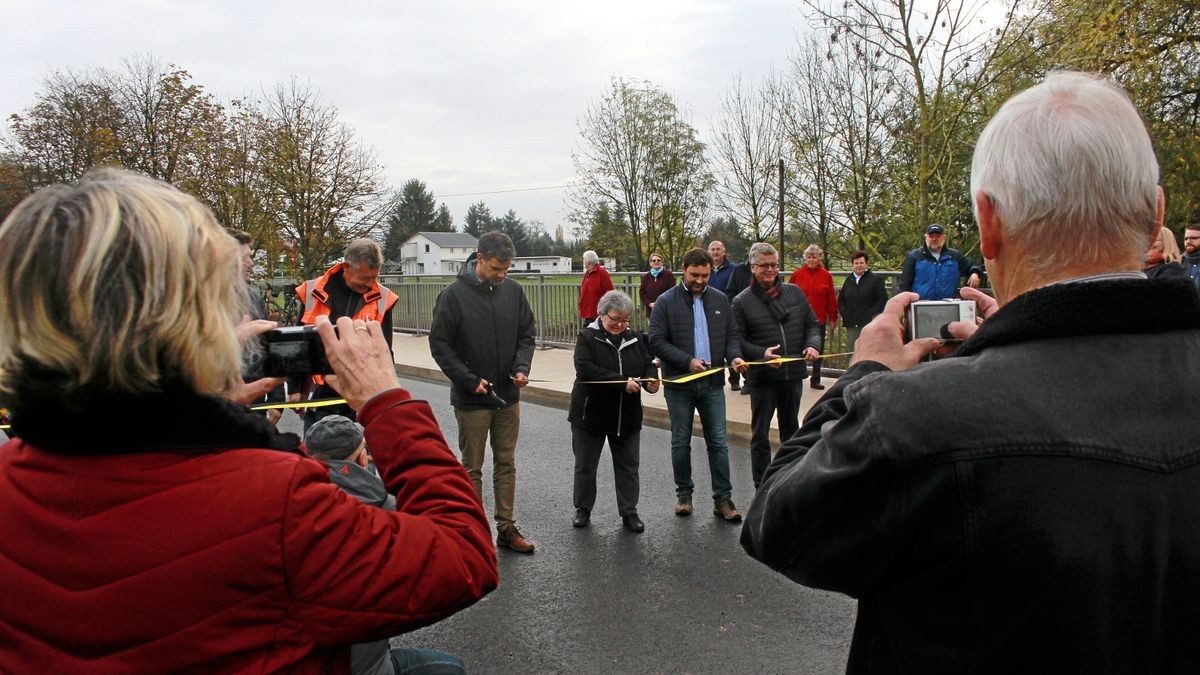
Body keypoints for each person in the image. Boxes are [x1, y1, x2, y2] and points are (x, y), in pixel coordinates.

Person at [742, 71, 1200, 673]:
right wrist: (1017, 340)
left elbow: (777, 520)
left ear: (987, 222)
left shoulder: (917, 418)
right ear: (1157, 211)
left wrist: (864, 375)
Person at [0, 168, 497, 672]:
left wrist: (202, 405)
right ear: (187, 318)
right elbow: (462, 558)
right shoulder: (275, 501)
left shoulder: (12, 473)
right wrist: (387, 401)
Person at [305, 415, 466, 675]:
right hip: (363, 665)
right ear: (361, 458)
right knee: (451, 668)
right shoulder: (387, 508)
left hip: (303, 659)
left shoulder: (290, 503)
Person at [430, 231, 537, 553]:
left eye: (506, 270)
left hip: (508, 395)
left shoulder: (514, 291)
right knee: (472, 467)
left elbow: (526, 335)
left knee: (506, 462)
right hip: (471, 398)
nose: (502, 276)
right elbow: (440, 345)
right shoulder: (453, 295)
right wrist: (467, 379)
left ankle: (506, 527)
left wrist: (522, 368)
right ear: (479, 259)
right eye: (495, 269)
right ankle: (473, 531)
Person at [648, 247, 749, 522]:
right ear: (683, 269)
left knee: (718, 442)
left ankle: (723, 500)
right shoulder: (666, 301)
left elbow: (731, 335)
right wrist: (686, 361)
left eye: (705, 275)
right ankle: (684, 495)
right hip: (680, 384)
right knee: (680, 441)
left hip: (713, 383)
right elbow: (656, 340)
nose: (701, 281)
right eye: (695, 275)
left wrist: (736, 356)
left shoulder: (719, 300)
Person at [568, 290, 660, 532]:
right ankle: (583, 508)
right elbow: (585, 369)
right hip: (590, 415)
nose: (620, 324)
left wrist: (651, 380)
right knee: (586, 465)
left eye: (625, 320)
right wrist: (621, 382)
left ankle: (629, 512)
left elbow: (648, 363)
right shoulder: (587, 337)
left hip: (626, 416)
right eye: (615, 319)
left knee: (628, 466)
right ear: (602, 313)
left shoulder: (636, 338)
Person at [731, 243, 821, 488]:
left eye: (774, 265)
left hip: (792, 376)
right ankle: (761, 484)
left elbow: (813, 325)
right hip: (762, 378)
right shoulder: (741, 302)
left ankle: (791, 479)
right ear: (753, 268)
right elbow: (736, 339)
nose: (770, 270)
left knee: (792, 431)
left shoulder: (794, 292)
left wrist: (813, 345)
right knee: (760, 434)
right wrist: (760, 353)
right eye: (764, 266)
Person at [294, 238, 397, 427]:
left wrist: (388, 392)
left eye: (374, 277)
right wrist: (295, 387)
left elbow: (385, 350)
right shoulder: (312, 292)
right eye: (364, 278)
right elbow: (298, 344)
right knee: (318, 453)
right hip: (321, 392)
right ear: (346, 267)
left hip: (362, 391)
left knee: (363, 454)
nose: (369, 284)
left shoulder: (383, 299)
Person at [228, 227, 285, 426]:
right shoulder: (198, 302)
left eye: (250, 257)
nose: (251, 264)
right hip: (217, 402)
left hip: (254, 402)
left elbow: (268, 346)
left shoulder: (253, 298)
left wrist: (277, 399)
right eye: (245, 258)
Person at [788, 244, 838, 390]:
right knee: (798, 347)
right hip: (799, 319)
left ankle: (815, 378)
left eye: (814, 257)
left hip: (818, 319)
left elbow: (831, 298)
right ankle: (798, 375)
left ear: (819, 258)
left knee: (818, 348)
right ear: (805, 258)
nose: (811, 260)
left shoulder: (826, 275)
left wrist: (833, 317)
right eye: (809, 257)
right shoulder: (797, 275)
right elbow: (788, 295)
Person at [897, 223, 983, 300]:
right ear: (925, 237)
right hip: (920, 306)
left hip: (949, 307)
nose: (934, 239)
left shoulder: (955, 256)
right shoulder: (914, 256)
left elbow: (974, 265)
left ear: (944, 237)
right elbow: (905, 284)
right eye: (931, 236)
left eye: (937, 236)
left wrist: (975, 273)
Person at [837, 250, 889, 350]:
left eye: (861, 263)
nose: (859, 265)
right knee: (852, 352)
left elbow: (882, 301)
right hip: (852, 324)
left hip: (869, 324)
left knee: (869, 351)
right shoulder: (848, 281)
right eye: (856, 263)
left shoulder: (876, 280)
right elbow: (841, 301)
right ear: (852, 265)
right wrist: (846, 314)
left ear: (866, 263)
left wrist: (870, 314)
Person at [723, 251, 754, 393]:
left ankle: (750, 381)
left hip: (758, 317)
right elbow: (730, 292)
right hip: (740, 315)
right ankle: (742, 379)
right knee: (740, 347)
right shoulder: (739, 270)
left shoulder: (767, 273)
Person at [578, 249, 614, 326]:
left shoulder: (602, 273)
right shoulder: (587, 273)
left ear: (589, 262)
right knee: (587, 335)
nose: (583, 262)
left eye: (584, 259)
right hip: (588, 311)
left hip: (598, 313)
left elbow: (610, 292)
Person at [638, 252, 675, 318]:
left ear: (662, 262)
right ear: (650, 263)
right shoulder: (646, 277)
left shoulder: (669, 275)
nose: (656, 262)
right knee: (652, 328)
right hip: (651, 311)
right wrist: (649, 304)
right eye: (654, 260)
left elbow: (672, 292)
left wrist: (662, 304)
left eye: (658, 260)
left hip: (665, 310)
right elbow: (642, 293)